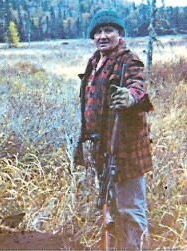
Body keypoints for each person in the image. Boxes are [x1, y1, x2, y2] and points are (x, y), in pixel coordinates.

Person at [75, 9, 154, 250]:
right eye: (98, 32)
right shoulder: (93, 62)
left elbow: (137, 86)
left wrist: (130, 97)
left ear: (119, 33)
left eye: (108, 30)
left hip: (126, 150)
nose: (102, 36)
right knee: (112, 213)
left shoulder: (128, 60)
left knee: (131, 211)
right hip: (103, 151)